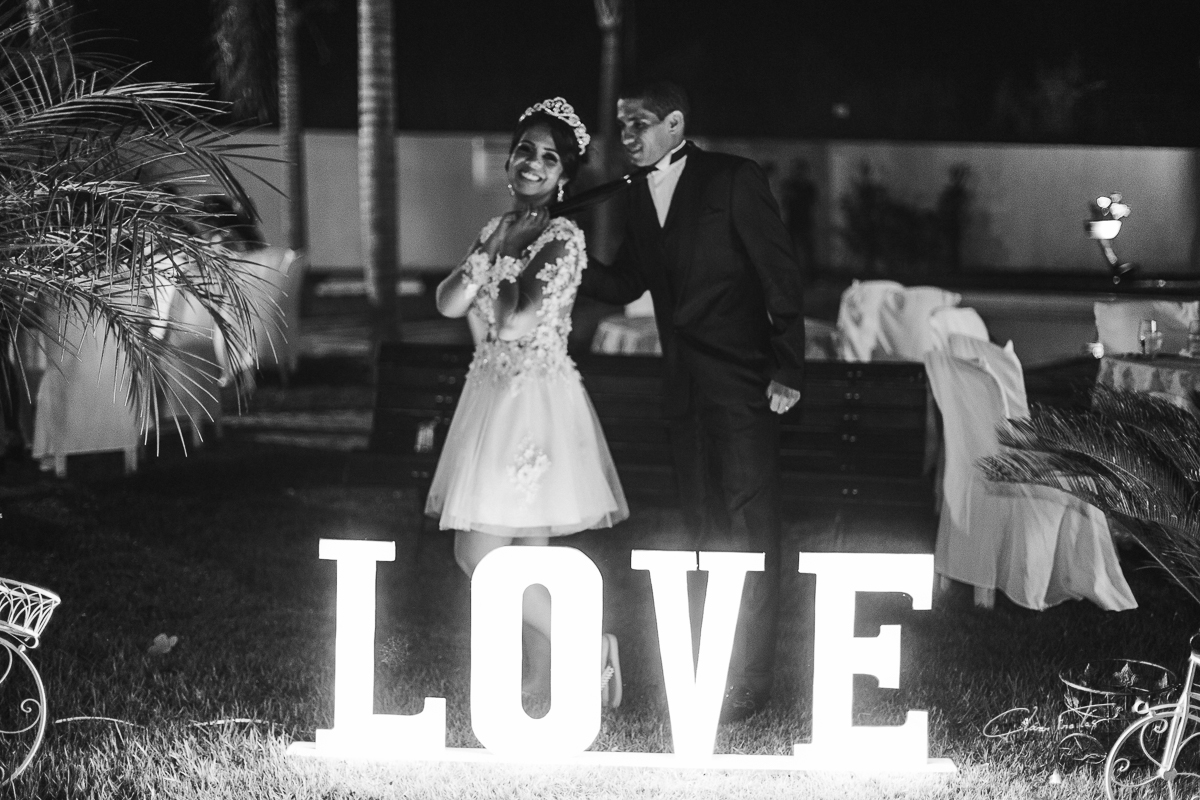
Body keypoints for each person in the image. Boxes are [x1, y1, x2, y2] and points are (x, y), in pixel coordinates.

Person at [579, 80, 806, 724]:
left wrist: (788, 367)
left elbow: (779, 273)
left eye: (640, 123)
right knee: (707, 530)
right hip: (681, 393)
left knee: (750, 529)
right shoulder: (633, 195)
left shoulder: (733, 179)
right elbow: (626, 280)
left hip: (743, 388)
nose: (627, 134)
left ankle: (750, 683)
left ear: (676, 124)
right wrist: (563, 255)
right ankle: (711, 670)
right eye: (621, 124)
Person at [426, 97, 629, 707]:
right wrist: (492, 250)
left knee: (477, 552)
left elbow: (515, 323)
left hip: (534, 401)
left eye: (549, 157)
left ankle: (588, 645)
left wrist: (509, 260)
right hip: (489, 395)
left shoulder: (563, 237)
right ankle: (542, 687)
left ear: (565, 174)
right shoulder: (494, 228)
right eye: (525, 151)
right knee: (528, 556)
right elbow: (448, 304)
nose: (532, 164)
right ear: (510, 158)